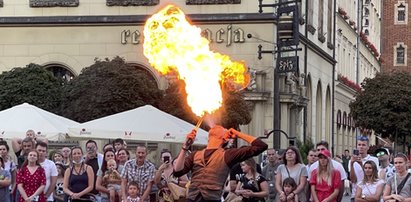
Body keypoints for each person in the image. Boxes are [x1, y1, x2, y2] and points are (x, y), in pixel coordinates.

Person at [174, 125, 268, 202]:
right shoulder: (195, 155)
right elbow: (177, 172)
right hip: (192, 199)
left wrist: (238, 134)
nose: (216, 126)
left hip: (212, 200)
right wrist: (185, 147)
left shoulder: (228, 154)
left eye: (224, 129)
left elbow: (261, 146)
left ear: (225, 138)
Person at [349, 136, 379, 201]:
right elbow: (353, 180)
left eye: (363, 145)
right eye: (359, 145)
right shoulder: (351, 160)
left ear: (368, 147)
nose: (361, 147)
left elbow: (374, 176)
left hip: (370, 195)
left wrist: (361, 165)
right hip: (356, 195)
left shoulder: (374, 160)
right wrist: (351, 164)